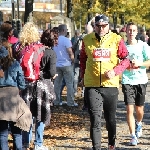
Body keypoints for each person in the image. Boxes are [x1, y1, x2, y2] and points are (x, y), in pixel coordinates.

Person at [80, 14, 130, 150]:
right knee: (95, 119)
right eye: (98, 26)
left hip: (110, 85)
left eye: (104, 26)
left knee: (110, 120)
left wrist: (115, 71)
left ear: (109, 26)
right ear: (94, 26)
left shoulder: (117, 39)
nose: (101, 28)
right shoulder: (86, 40)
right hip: (92, 85)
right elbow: (83, 60)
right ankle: (96, 147)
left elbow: (126, 60)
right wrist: (82, 77)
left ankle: (111, 145)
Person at [13, 22, 56, 150]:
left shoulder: (18, 47)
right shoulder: (41, 48)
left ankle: (26, 143)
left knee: (27, 114)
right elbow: (45, 67)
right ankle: (38, 143)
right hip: (38, 84)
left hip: (23, 84)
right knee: (41, 113)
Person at [122, 22, 150, 146]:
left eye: (133, 30)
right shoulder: (122, 46)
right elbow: (118, 61)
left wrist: (139, 63)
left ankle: (139, 123)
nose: (131, 32)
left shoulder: (143, 45)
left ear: (137, 32)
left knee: (139, 110)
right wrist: (124, 66)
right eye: (129, 30)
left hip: (141, 80)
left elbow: (149, 62)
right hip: (127, 80)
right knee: (129, 108)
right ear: (126, 31)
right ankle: (133, 136)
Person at [0, 40, 32, 150]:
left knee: (2, 132)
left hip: (0, 99)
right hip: (13, 98)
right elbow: (22, 84)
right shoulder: (15, 63)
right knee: (17, 131)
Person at [53, 24, 77, 106]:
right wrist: (73, 60)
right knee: (69, 84)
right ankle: (70, 102)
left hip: (57, 64)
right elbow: (70, 52)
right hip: (66, 64)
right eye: (66, 29)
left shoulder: (55, 40)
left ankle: (56, 101)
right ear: (63, 30)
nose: (67, 31)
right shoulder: (66, 40)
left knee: (57, 83)